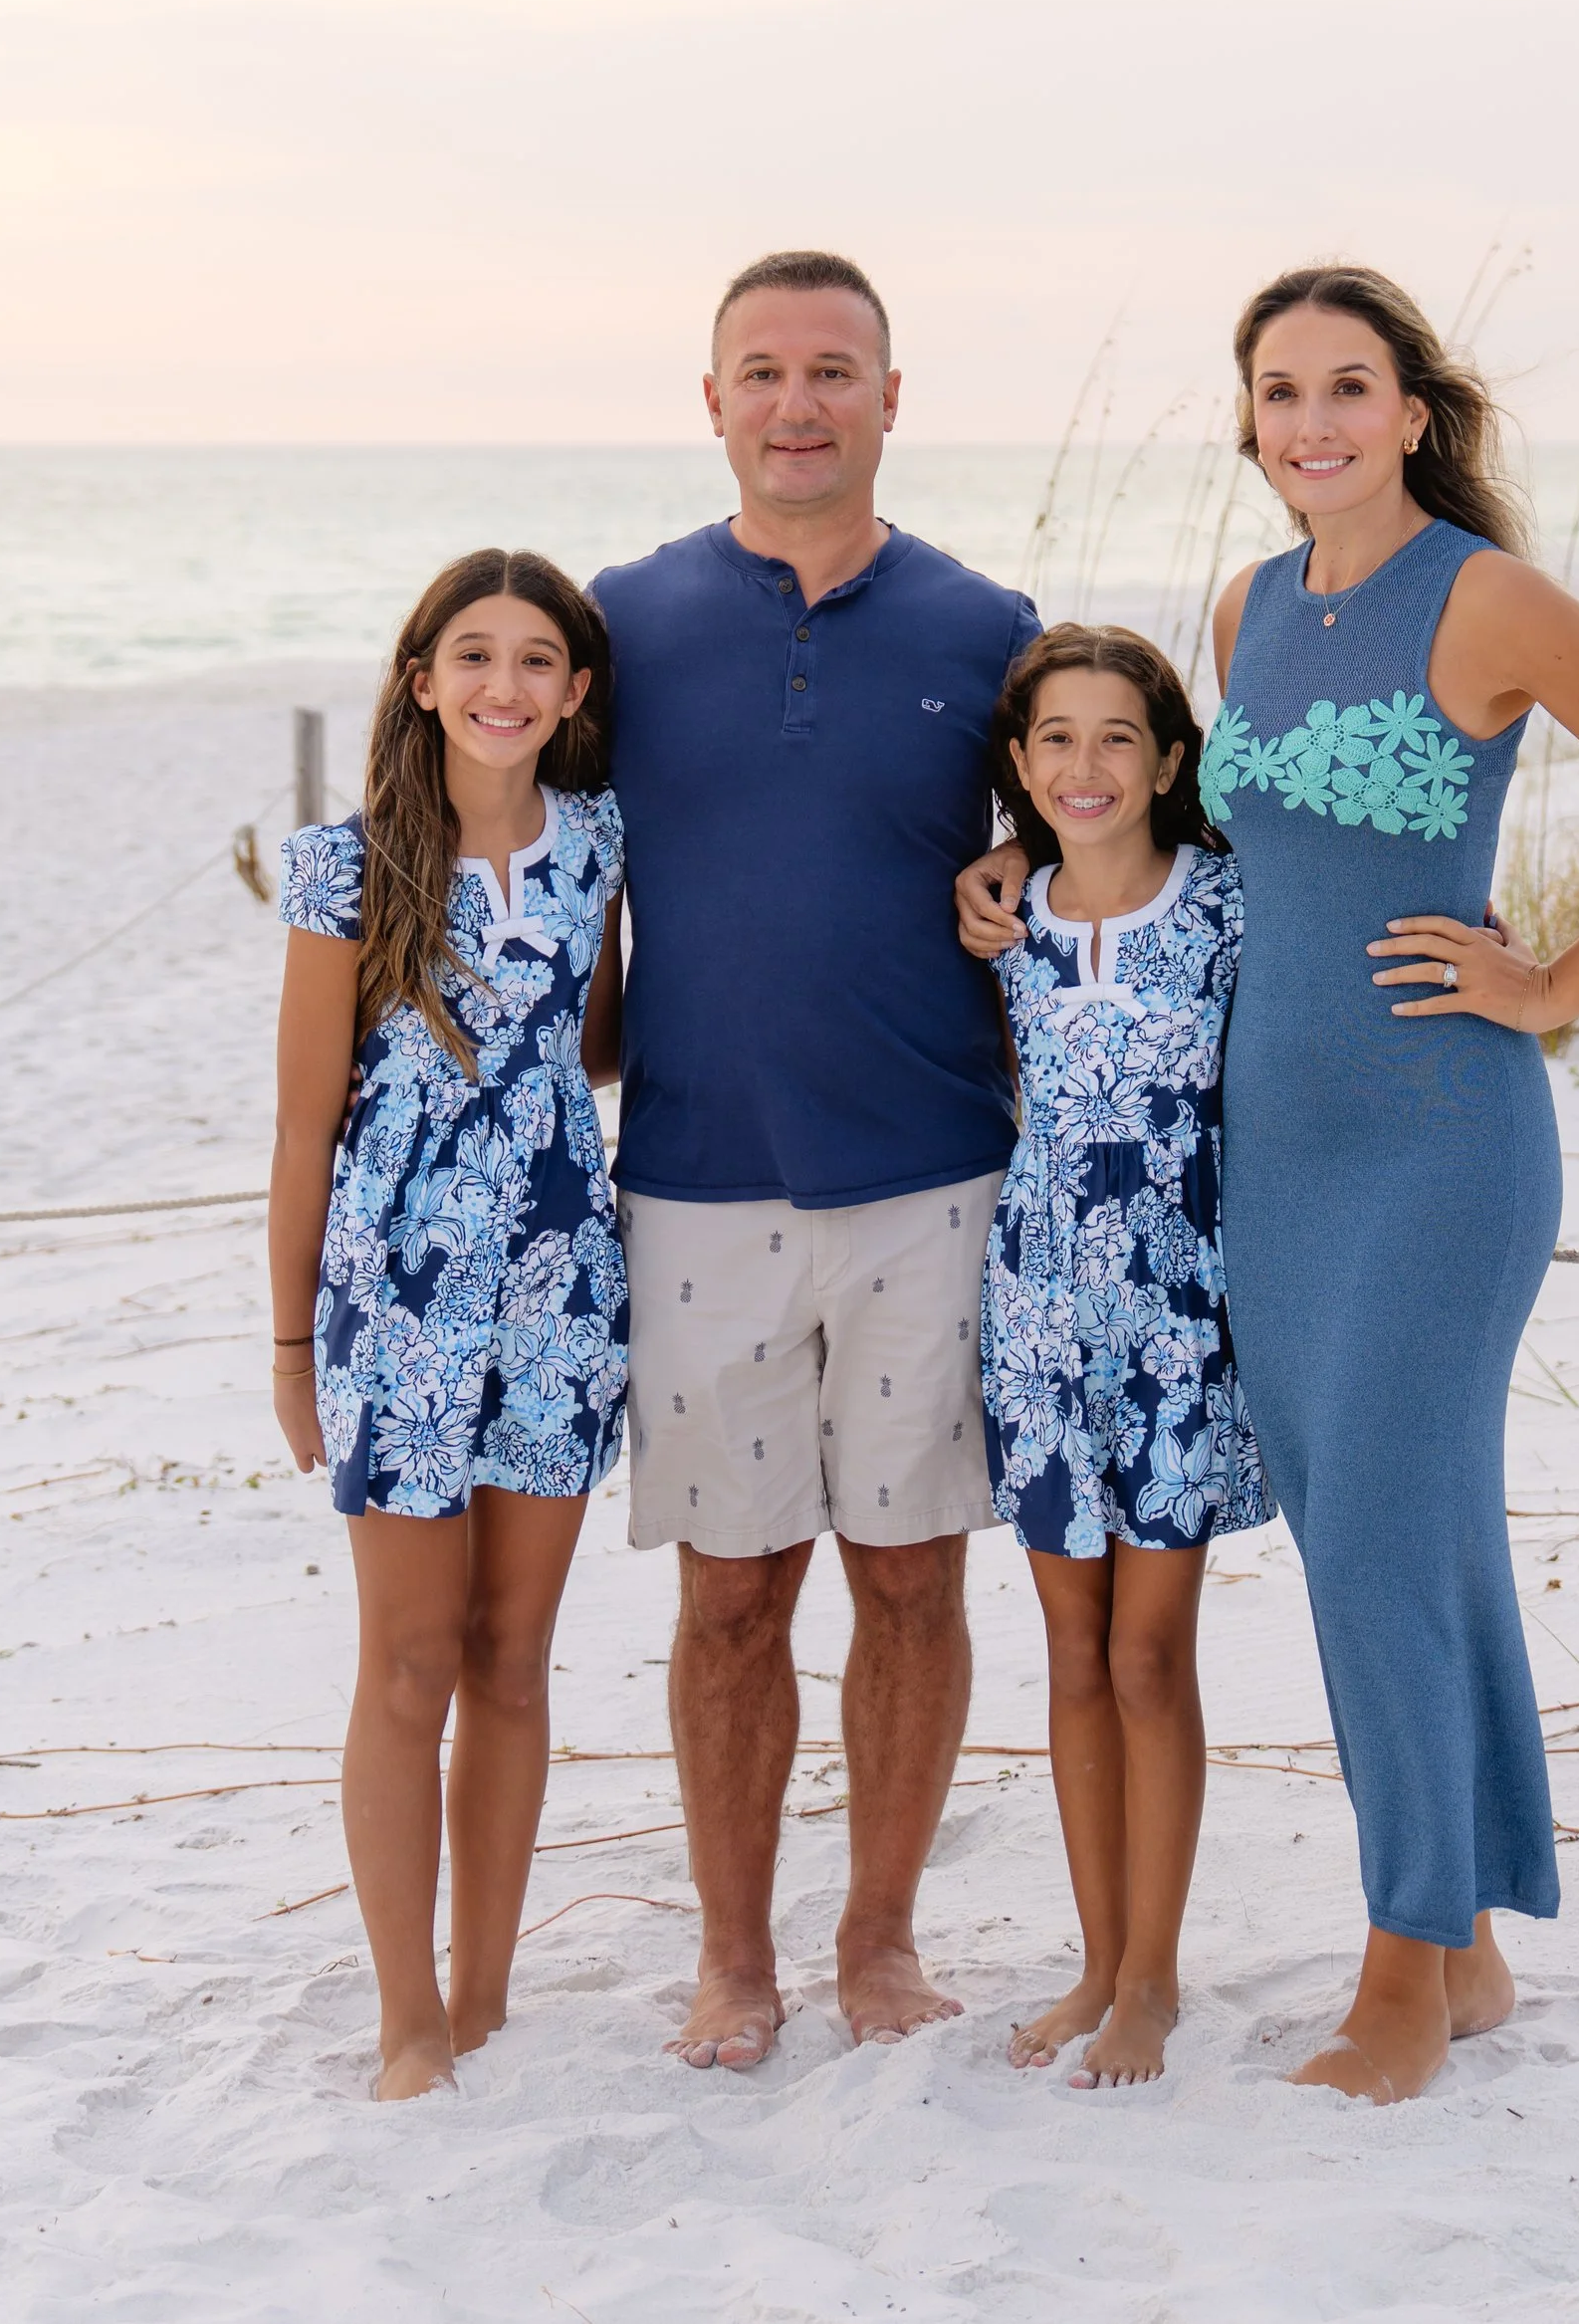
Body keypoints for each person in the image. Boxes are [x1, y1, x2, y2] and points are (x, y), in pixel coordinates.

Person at [961, 264, 1579, 2106]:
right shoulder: (1248, 610)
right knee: (1370, 1544)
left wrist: (1554, 987)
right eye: (1278, 393)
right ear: (1249, 425)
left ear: (1415, 411)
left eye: (1349, 387)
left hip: (1437, 1138)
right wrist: (1019, 880)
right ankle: (1466, 1940)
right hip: (1274, 1150)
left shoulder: (1487, 598)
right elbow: (1202, 855)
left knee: (1393, 1547)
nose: (1313, 422)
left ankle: (1404, 1971)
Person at [589, 250, 1040, 2071]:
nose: (799, 402)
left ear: (890, 397)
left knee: (914, 1576)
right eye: (762, 372)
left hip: (935, 1171)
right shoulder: (620, 621)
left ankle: (877, 1943)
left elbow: (1080, 849)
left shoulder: (987, 624)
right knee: (728, 1593)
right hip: (695, 1174)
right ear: (712, 403)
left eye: (833, 370)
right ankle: (730, 1957)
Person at [267, 548, 626, 2102]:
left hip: (563, 1295)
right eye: (471, 656)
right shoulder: (342, 870)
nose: (503, 686)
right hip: (398, 1306)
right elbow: (301, 1131)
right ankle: (408, 2017)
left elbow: (595, 1044)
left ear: (576, 691)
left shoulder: (603, 842)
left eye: (535, 658)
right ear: (420, 681)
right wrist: (292, 1351)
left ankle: (487, 1988)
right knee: (409, 1661)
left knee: (516, 1655)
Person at [979, 624, 1267, 2091]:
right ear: (1019, 767)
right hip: (1036, 1319)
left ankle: (1154, 1978)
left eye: (1115, 739)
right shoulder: (1003, 911)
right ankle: (1096, 1959)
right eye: (1054, 740)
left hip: (1179, 1322)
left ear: (1168, 760)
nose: (1084, 767)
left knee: (1151, 1656)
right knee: (1072, 1656)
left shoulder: (1228, 904)